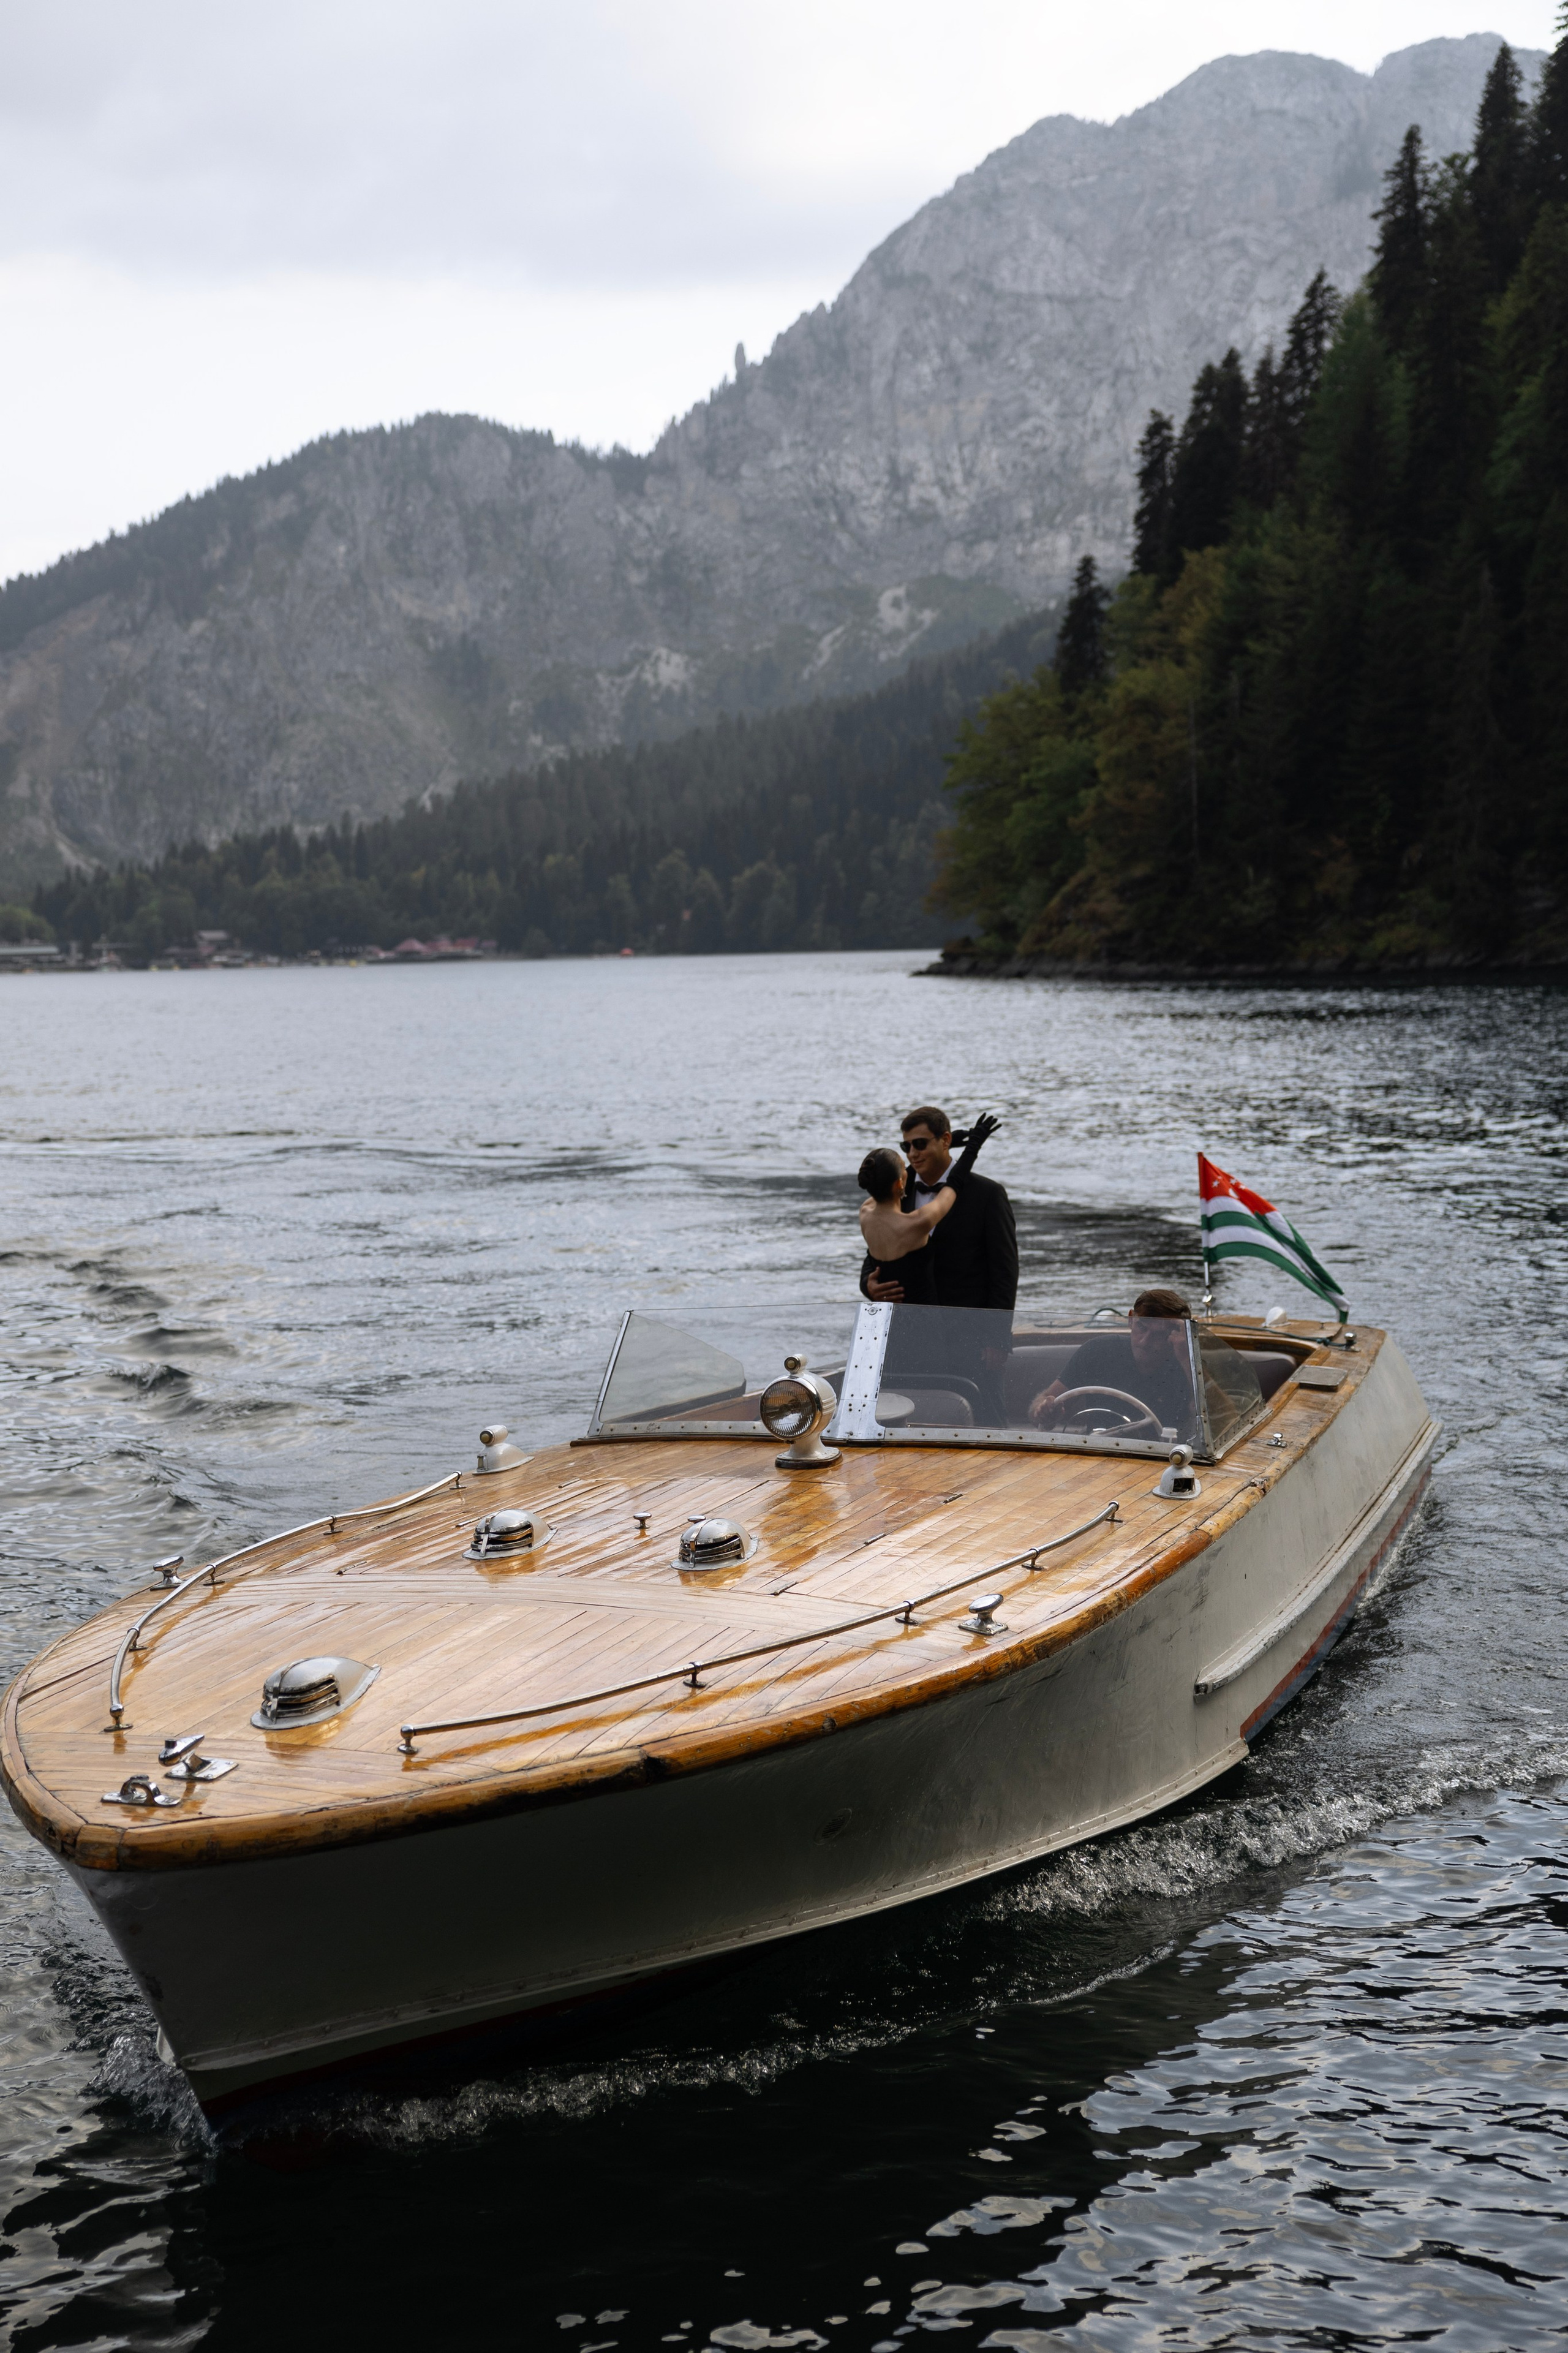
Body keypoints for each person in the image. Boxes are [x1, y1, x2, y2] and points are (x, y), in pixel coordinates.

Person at [859, 1106, 1018, 1313]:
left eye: (920, 1144)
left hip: (967, 1323)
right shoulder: (895, 1193)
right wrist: (868, 1284)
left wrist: (996, 1335)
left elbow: (1005, 1272)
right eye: (906, 1147)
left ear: (945, 1141)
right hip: (908, 1321)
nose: (913, 1154)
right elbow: (877, 1247)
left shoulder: (988, 1194)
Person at [1028, 1287, 1198, 1437]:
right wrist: (1044, 1411)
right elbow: (1044, 1405)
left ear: (1176, 1334)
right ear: (1131, 1319)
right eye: (1142, 1327)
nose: (1145, 1342)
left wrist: (1186, 1357)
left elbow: (1214, 1419)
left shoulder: (1185, 1361)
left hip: (1166, 1455)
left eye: (1159, 1334)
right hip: (1097, 1449)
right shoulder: (1098, 1351)